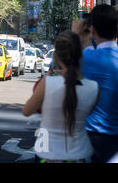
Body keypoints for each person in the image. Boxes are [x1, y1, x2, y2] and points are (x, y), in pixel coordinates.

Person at [22, 30, 99, 163]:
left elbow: (27, 111)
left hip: (47, 153)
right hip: (79, 153)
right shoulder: (94, 88)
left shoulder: (47, 83)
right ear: (80, 55)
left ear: (56, 56)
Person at [72, 4, 118, 162]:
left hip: (90, 138)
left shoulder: (87, 58)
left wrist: (75, 34)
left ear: (92, 30)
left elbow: (60, 67)